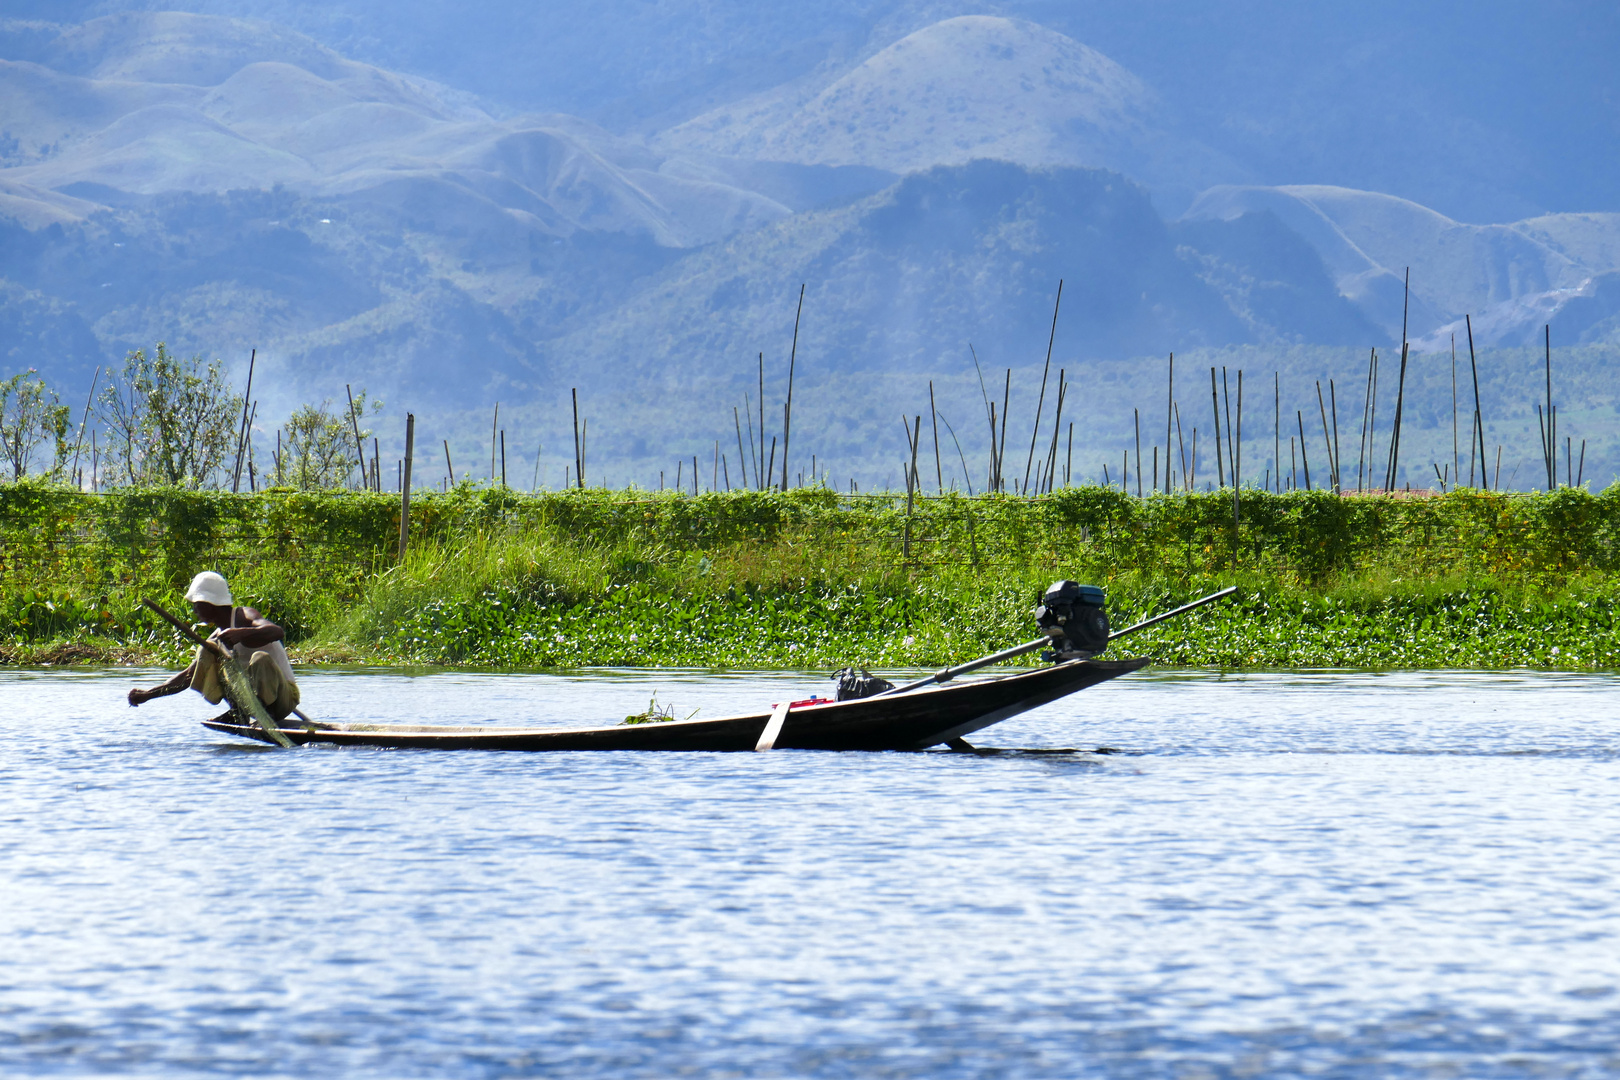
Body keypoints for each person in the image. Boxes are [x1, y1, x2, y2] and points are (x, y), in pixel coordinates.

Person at [128, 571, 300, 723]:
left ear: (209, 602)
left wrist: (241, 634)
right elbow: (188, 676)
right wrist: (148, 695)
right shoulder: (216, 639)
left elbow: (277, 632)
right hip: (251, 703)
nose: (194, 609)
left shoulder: (245, 616)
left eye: (197, 603)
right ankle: (238, 712)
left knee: (260, 659)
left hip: (283, 699)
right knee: (207, 651)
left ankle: (258, 713)